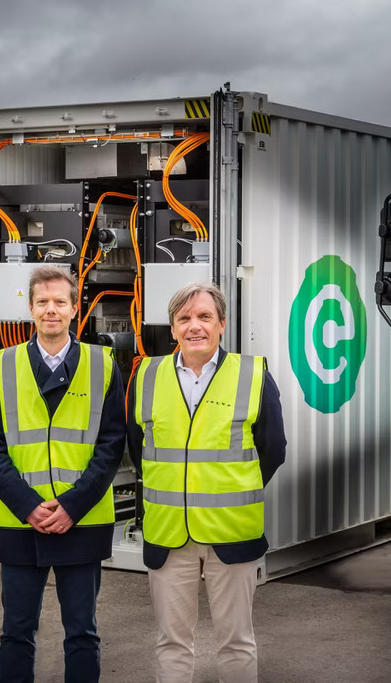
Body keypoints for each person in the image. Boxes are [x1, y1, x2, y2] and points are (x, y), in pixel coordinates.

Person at [128, 282, 286, 683]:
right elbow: (137, 451)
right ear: (173, 328)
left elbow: (273, 449)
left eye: (204, 317)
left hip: (231, 533)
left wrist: (230, 489)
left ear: (222, 325)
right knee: (171, 642)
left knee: (236, 642)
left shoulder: (253, 376)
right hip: (168, 534)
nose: (194, 326)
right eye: (184, 318)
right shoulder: (146, 377)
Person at [0, 265, 125, 683]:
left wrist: (73, 505)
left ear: (74, 308)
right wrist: (27, 506)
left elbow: (111, 445)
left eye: (60, 302)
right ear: (30, 308)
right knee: (16, 633)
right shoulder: (3, 366)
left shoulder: (103, 364)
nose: (51, 310)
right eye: (42, 302)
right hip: (21, 521)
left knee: (82, 632)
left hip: (81, 521)